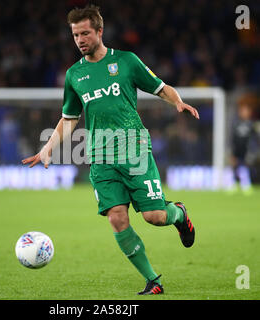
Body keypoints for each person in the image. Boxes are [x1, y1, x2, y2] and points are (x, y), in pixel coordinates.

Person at [22, 5, 199, 295]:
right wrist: (48, 149)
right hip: (101, 159)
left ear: (100, 31)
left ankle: (179, 214)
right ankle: (153, 280)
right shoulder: (74, 75)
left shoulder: (127, 62)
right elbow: (69, 119)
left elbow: (159, 86)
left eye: (85, 33)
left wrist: (177, 101)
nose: (80, 40)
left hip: (135, 151)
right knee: (117, 217)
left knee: (155, 217)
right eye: (75, 35)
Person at [229, 96, 257, 195]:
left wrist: (253, 150)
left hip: (247, 150)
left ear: (249, 112)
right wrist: (231, 151)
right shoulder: (236, 124)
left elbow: (254, 138)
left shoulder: (251, 124)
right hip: (237, 149)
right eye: (242, 111)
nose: (243, 113)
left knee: (245, 167)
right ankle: (233, 184)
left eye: (245, 111)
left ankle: (246, 184)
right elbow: (232, 138)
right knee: (235, 167)